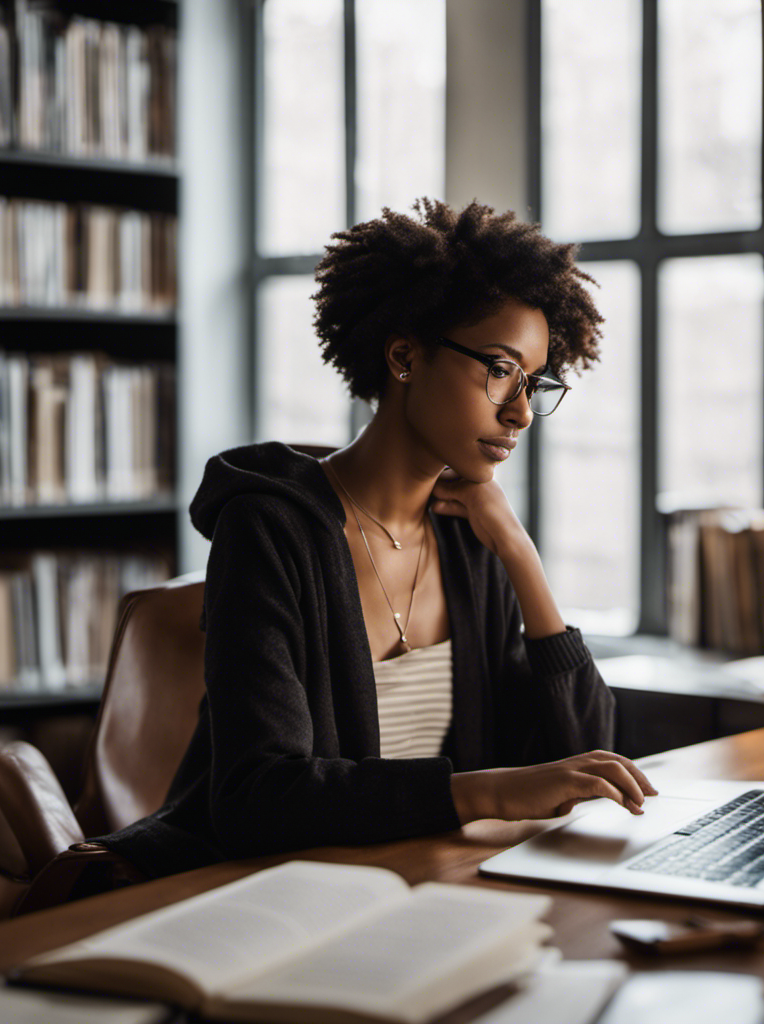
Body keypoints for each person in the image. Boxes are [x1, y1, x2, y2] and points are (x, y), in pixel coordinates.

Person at [96, 199, 656, 879]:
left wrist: (519, 553)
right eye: (500, 369)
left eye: (533, 383)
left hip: (411, 883)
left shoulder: (470, 542)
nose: (519, 413)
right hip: (240, 892)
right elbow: (257, 801)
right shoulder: (271, 531)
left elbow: (587, 754)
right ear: (403, 355)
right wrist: (490, 791)